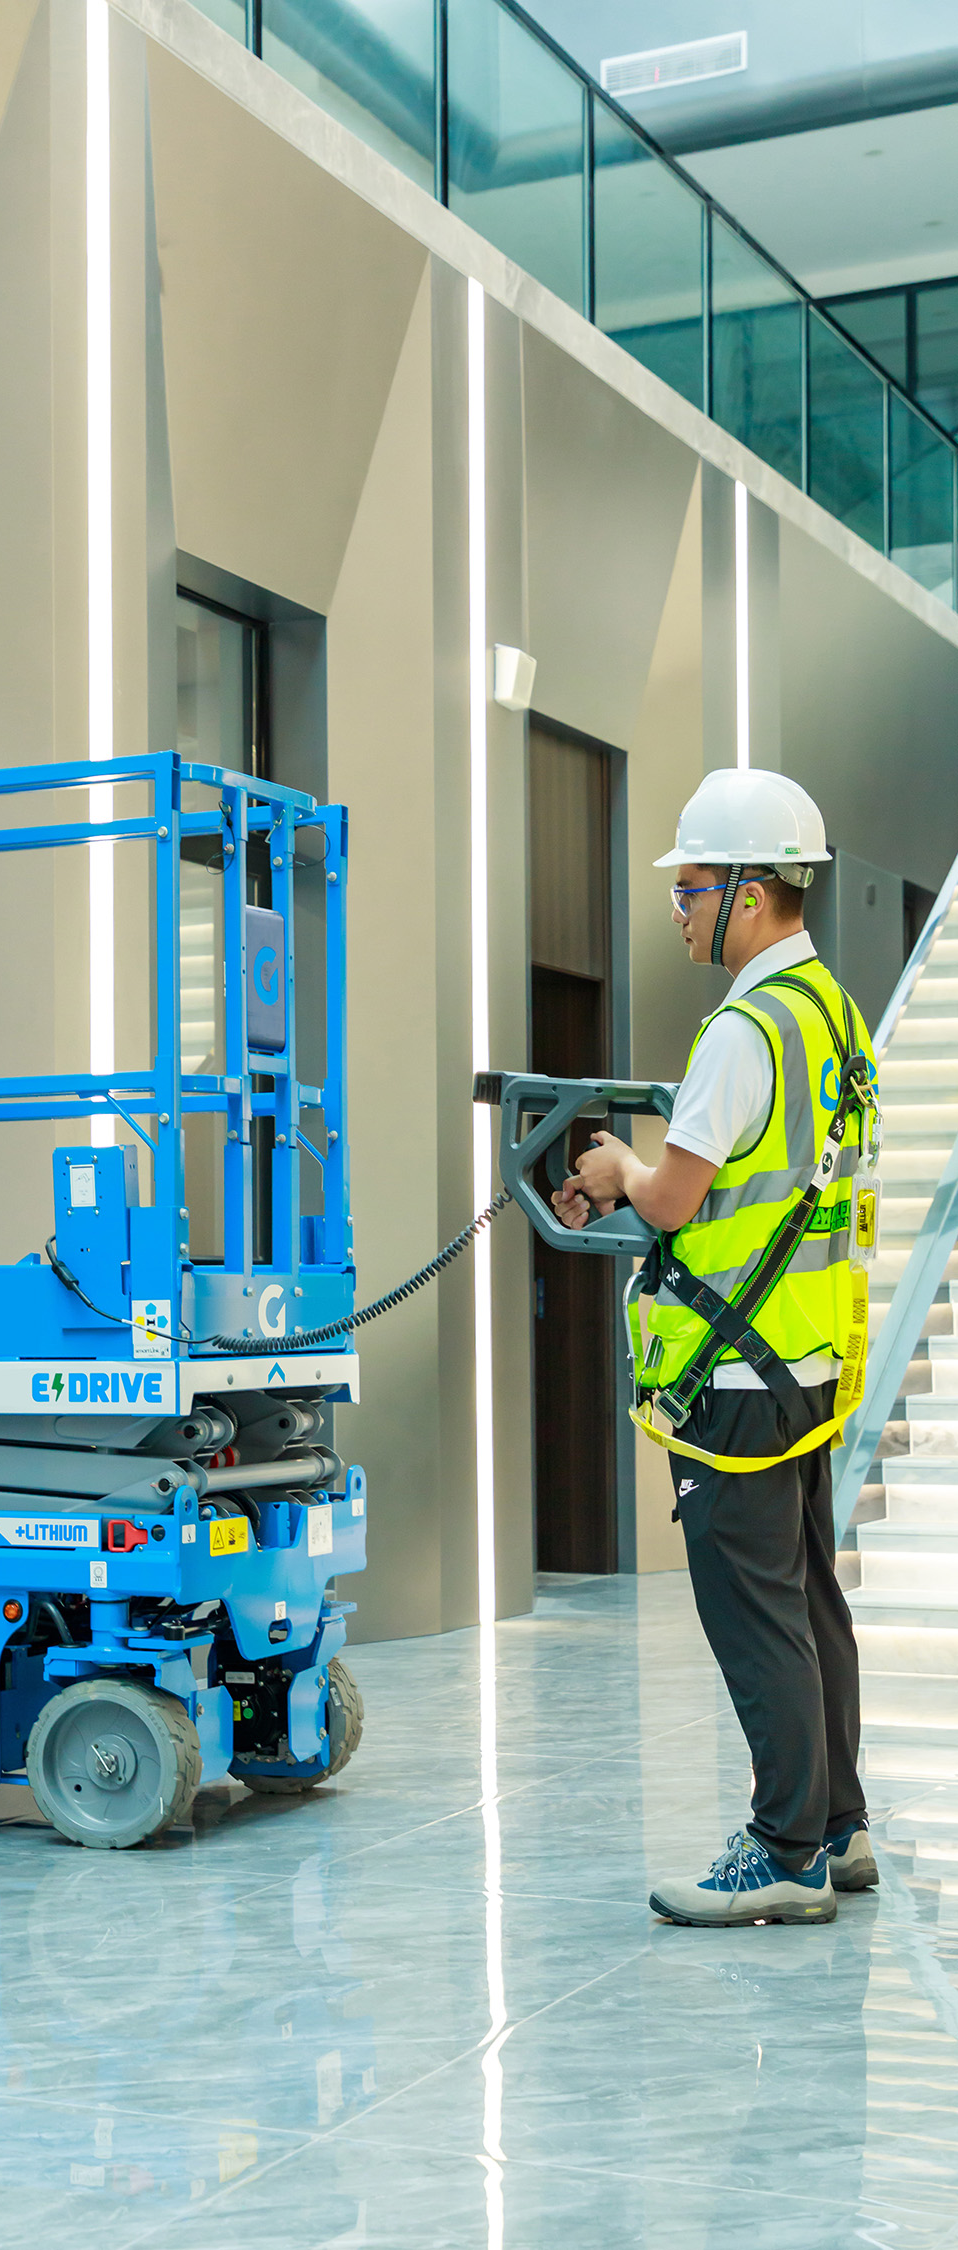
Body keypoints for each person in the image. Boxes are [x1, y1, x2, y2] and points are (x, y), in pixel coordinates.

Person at [555, 768, 880, 1928]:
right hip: (801, 1362)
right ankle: (836, 1827)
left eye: (690, 887)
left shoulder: (744, 1030)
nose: (679, 909)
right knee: (809, 1600)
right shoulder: (830, 1014)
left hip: (734, 1378)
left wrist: (616, 1169)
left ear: (748, 890)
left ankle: (785, 1850)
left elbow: (676, 1198)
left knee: (756, 1615)